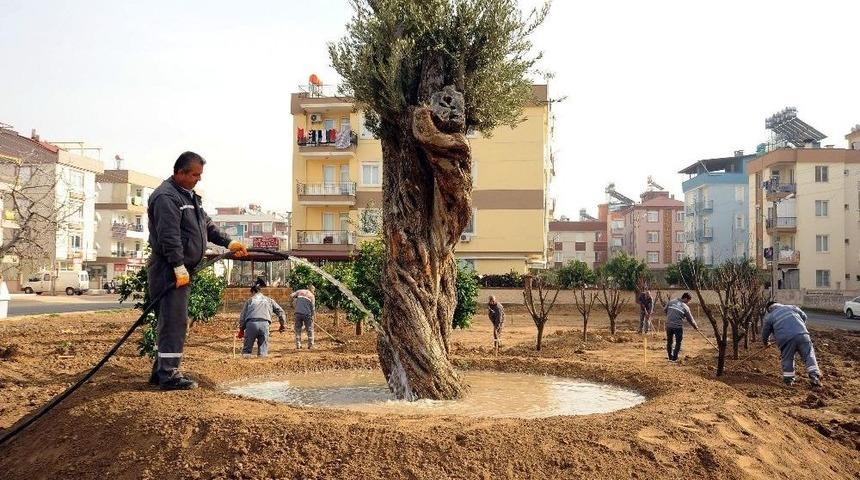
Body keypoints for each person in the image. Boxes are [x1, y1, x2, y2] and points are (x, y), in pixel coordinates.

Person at [147, 151, 248, 390]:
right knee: (174, 321)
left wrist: (229, 243)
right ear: (179, 172)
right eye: (195, 174)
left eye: (200, 175)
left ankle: (160, 371)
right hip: (168, 269)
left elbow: (207, 226)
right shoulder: (166, 197)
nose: (198, 179)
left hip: (178, 268)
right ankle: (169, 376)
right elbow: (169, 236)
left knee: (170, 320)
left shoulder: (188, 196)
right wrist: (178, 266)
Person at [762, 301, 821, 387]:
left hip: (786, 339)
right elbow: (804, 316)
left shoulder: (770, 317)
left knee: (788, 358)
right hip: (802, 335)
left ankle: (788, 381)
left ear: (769, 309)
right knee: (809, 355)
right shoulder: (791, 307)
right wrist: (800, 327)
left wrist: (766, 342)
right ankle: (814, 376)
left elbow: (765, 332)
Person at [238, 284, 286, 358]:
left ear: (253, 292)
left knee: (247, 349)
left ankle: (245, 359)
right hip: (264, 324)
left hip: (251, 324)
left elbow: (243, 316)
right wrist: (282, 324)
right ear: (260, 291)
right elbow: (280, 311)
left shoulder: (250, 300)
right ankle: (262, 358)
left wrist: (241, 329)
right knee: (263, 349)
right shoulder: (269, 300)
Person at [663, 292, 700, 362]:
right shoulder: (685, 307)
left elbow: (665, 310)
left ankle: (670, 357)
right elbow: (690, 319)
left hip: (669, 325)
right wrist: (695, 326)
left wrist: (670, 315)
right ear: (685, 298)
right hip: (678, 327)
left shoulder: (671, 302)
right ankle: (674, 358)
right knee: (678, 342)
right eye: (688, 300)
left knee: (669, 341)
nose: (688, 302)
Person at [290, 285, 316, 350]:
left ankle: (298, 345)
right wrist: (312, 316)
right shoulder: (312, 296)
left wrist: (291, 304)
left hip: (298, 313)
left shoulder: (300, 291)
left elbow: (291, 295)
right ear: (312, 290)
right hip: (307, 314)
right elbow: (313, 308)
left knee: (298, 329)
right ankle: (311, 345)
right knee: (310, 329)